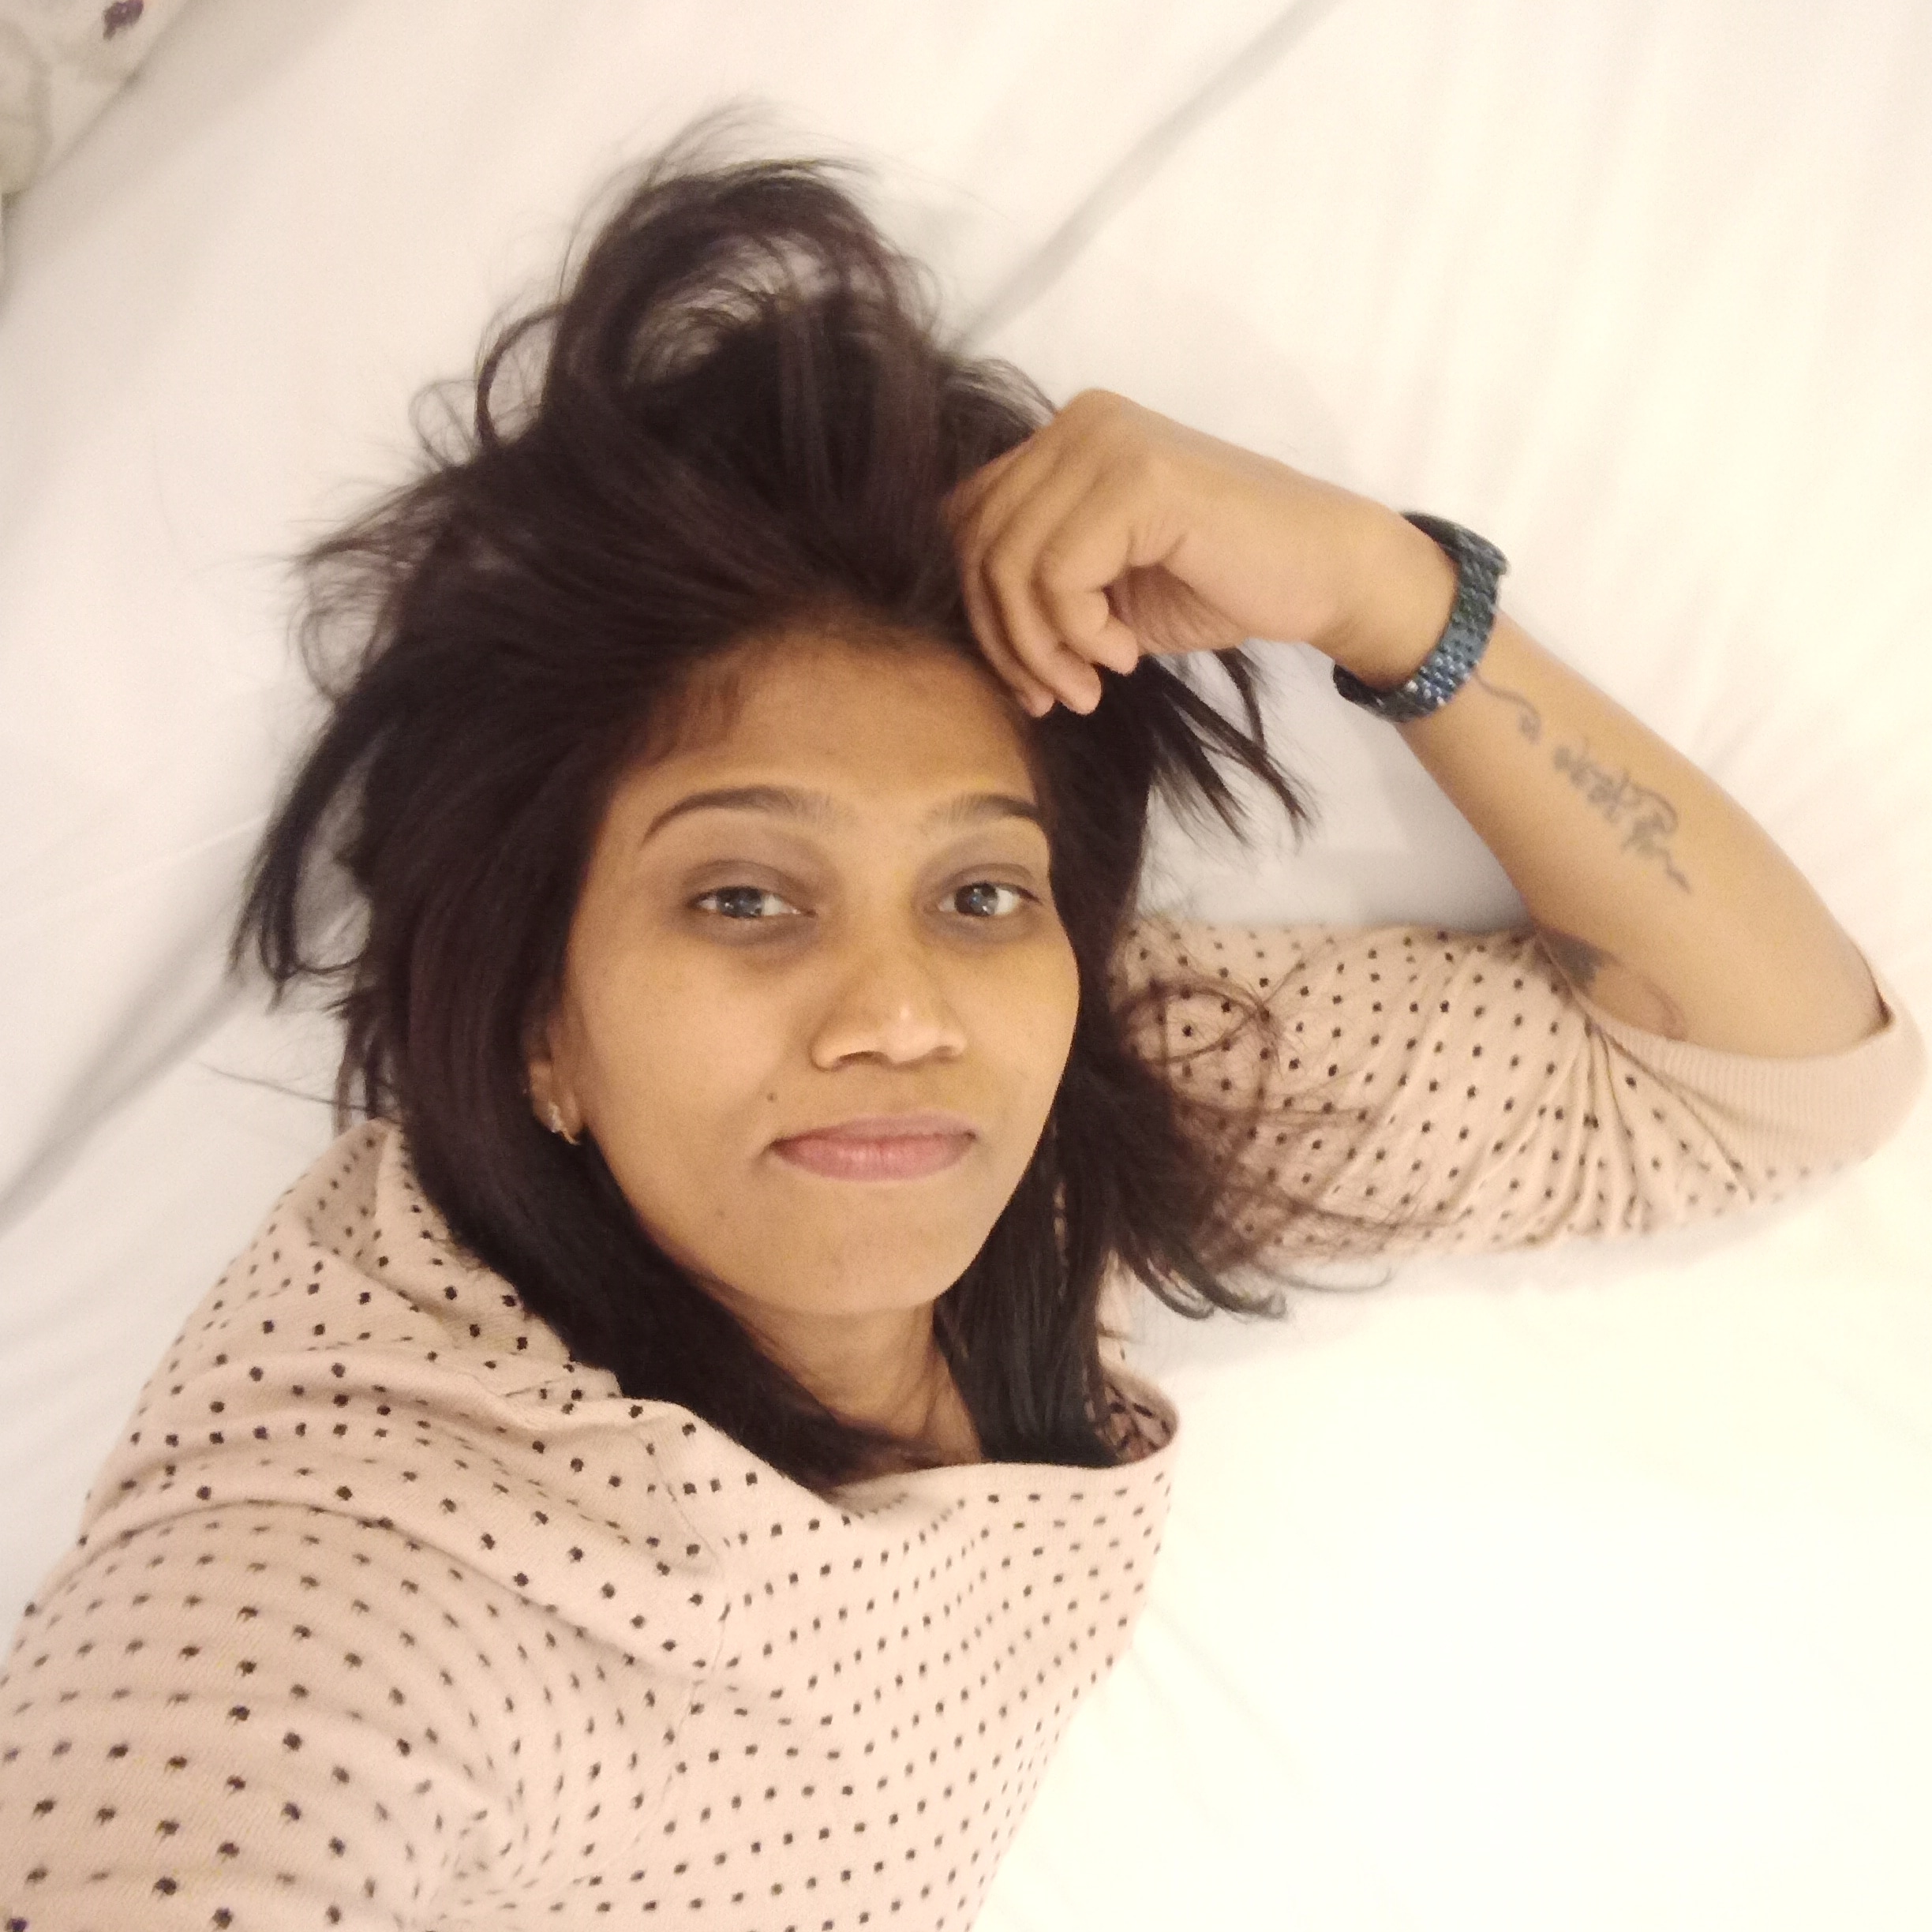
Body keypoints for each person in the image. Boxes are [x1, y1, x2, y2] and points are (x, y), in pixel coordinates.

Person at [0, 130, 1920, 1932]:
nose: (905, 1012)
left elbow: (1762, 1077)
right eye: (742, 898)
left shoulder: (1061, 1119)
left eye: (981, 891)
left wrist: (1387, 591)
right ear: (534, 1023)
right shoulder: (343, 1584)